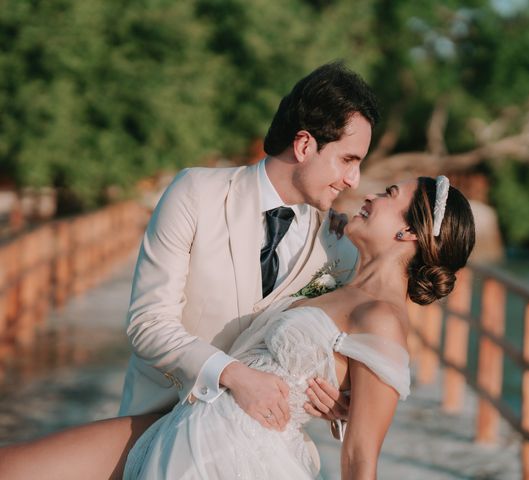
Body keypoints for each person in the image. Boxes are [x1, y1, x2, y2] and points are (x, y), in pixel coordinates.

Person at [0, 62, 378, 479]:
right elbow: (148, 322)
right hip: (158, 420)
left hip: (253, 447)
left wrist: (335, 405)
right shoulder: (196, 193)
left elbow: (330, 353)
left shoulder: (336, 247)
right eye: (347, 159)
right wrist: (233, 375)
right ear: (305, 145)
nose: (353, 180)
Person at [123, 176, 476, 479]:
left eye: (389, 193)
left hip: (236, 451)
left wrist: (348, 406)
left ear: (409, 231)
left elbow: (360, 456)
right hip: (193, 418)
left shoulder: (382, 318)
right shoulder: (345, 280)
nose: (370, 194)